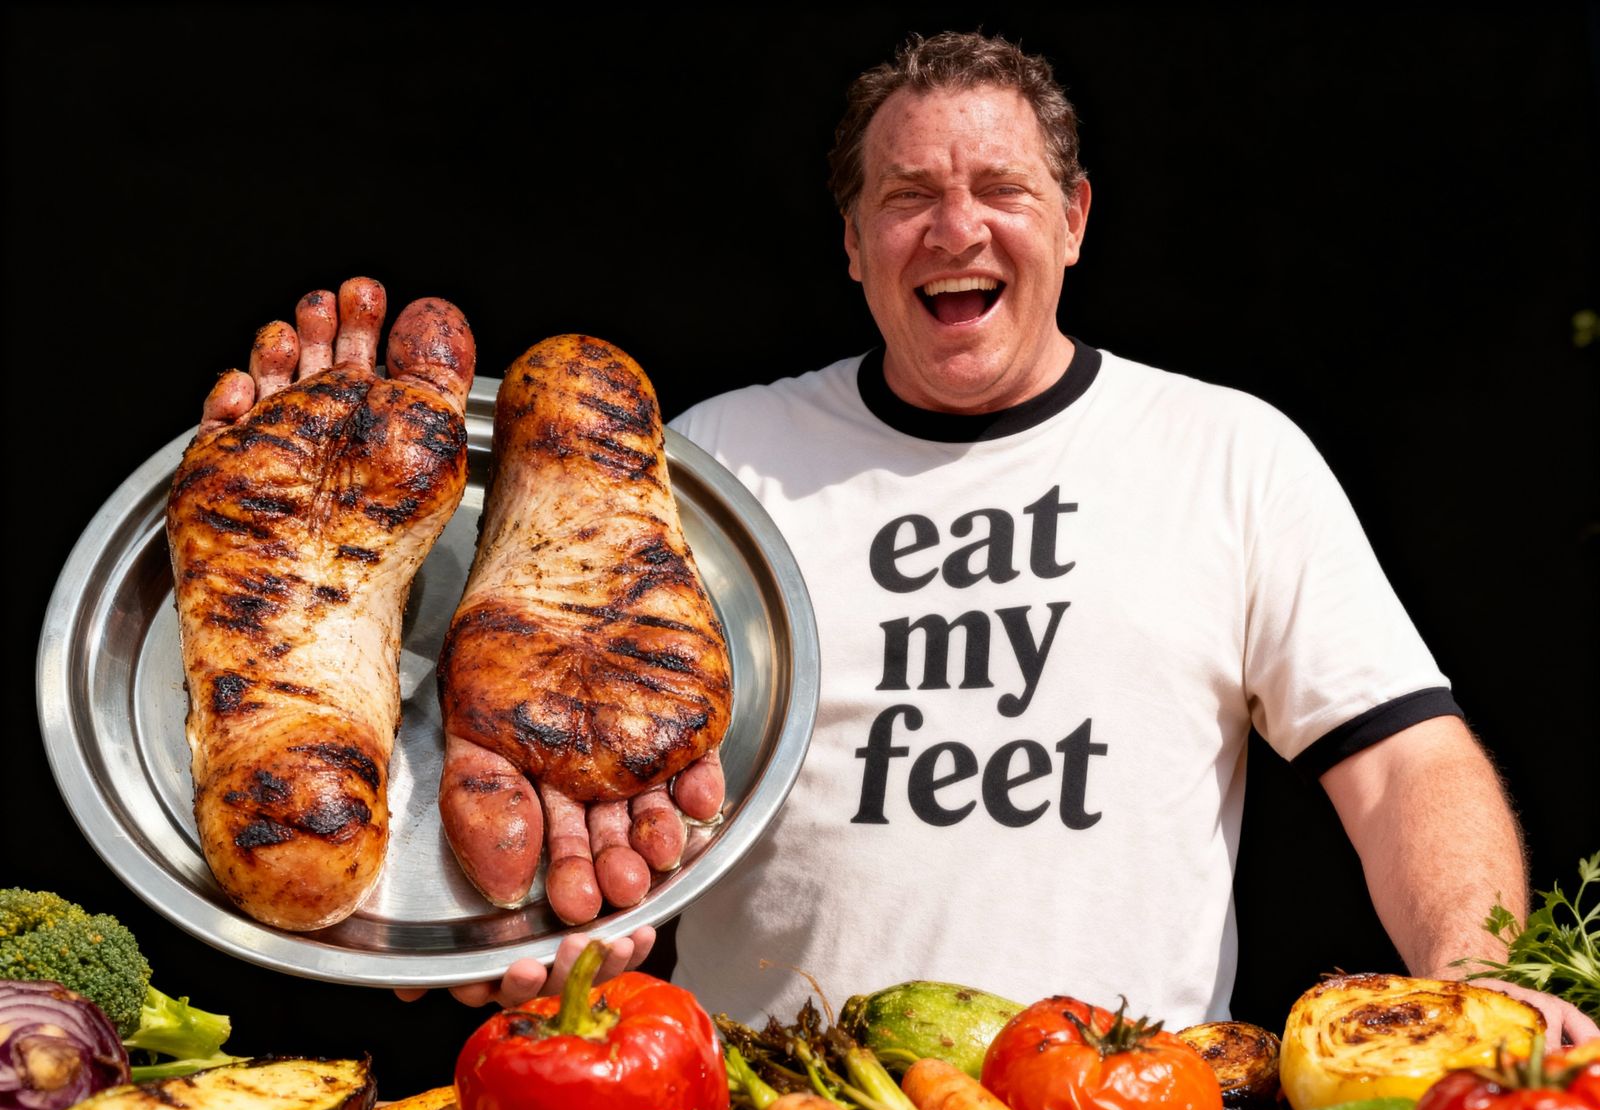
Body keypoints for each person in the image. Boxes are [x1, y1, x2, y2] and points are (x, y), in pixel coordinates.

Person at [472, 30, 1598, 1042]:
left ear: (1072, 220)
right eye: (907, 194)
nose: (955, 227)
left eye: (1000, 188)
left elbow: (1403, 758)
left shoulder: (1227, 453)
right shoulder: (717, 465)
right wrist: (515, 918)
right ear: (854, 242)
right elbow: (558, 736)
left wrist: (1474, 978)